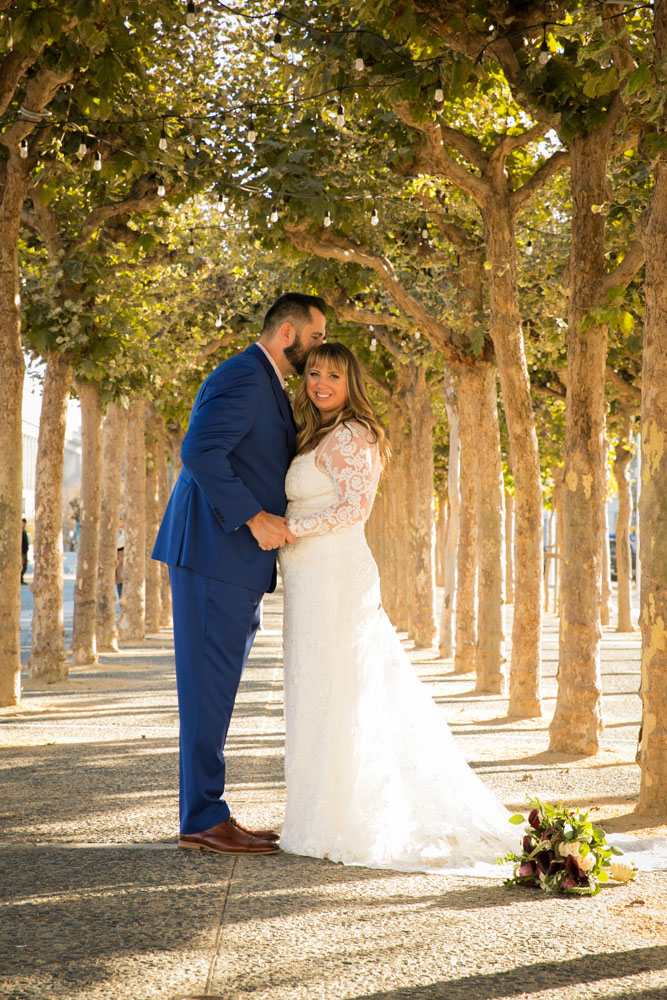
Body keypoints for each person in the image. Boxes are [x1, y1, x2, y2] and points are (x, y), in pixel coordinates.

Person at [278, 343, 518, 872]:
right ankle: (316, 815)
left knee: (341, 689)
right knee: (315, 688)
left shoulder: (354, 434)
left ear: (351, 382)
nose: (320, 382)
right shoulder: (312, 431)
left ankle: (347, 821)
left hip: (337, 574)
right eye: (314, 372)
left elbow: (354, 509)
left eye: (333, 376)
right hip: (307, 577)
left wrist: (292, 528)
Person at [152, 292, 327, 856]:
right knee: (206, 692)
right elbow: (200, 451)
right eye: (316, 338)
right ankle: (202, 818)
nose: (320, 349)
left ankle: (209, 811)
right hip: (214, 555)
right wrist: (253, 517)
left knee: (216, 692)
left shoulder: (259, 380)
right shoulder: (247, 376)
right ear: (287, 336)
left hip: (227, 562)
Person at [21, 519, 29, 585]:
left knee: (25, 566)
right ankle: (20, 579)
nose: (24, 525)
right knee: (21, 566)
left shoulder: (24, 532)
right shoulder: (19, 532)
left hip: (25, 552)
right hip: (21, 552)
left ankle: (21, 579)